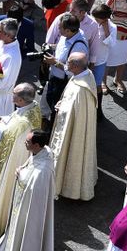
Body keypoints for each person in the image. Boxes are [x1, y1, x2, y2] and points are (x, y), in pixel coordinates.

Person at [50, 52, 99, 200]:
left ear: (76, 66)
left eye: (69, 62)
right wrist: (63, 102)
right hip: (73, 116)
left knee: (71, 152)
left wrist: (62, 108)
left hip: (73, 128)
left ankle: (66, 186)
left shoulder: (81, 90)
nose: (67, 64)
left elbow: (72, 113)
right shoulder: (85, 75)